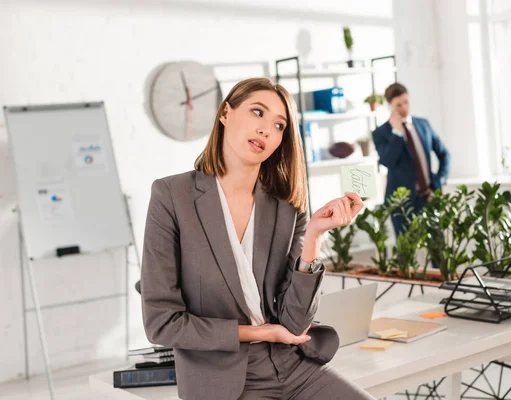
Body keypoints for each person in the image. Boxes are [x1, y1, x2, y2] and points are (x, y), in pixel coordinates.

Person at [140, 77, 374, 400]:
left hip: (291, 365)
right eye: (257, 112)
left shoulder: (287, 209)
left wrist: (314, 239)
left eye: (279, 125)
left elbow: (295, 324)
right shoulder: (171, 196)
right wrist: (258, 332)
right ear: (225, 113)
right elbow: (161, 323)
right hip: (225, 379)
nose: (267, 129)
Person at [372, 83, 450, 236]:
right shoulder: (381, 133)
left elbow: (444, 154)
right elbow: (388, 162)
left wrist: (440, 181)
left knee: (438, 250)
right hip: (401, 204)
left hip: (429, 198)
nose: (404, 108)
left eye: (406, 102)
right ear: (390, 106)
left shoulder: (423, 124)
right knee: (406, 254)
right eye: (398, 105)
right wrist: (397, 132)